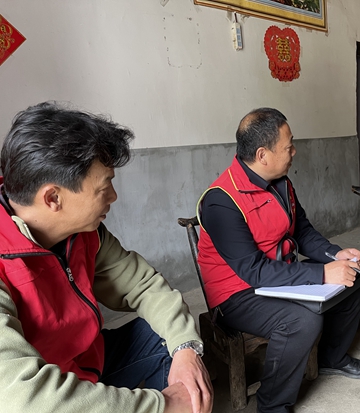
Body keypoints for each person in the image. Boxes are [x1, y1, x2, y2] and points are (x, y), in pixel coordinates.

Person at [0, 102, 213, 413]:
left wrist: (186, 348)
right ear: (53, 198)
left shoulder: (85, 234)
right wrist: (162, 405)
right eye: (104, 187)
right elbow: (22, 396)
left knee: (166, 340)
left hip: (86, 361)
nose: (113, 196)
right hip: (46, 393)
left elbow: (142, 285)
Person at [197, 108, 360, 413]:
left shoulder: (280, 182)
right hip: (237, 294)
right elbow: (254, 271)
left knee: (355, 278)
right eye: (289, 146)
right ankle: (272, 405)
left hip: (279, 273)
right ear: (263, 155)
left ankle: (332, 358)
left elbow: (302, 231)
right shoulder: (221, 201)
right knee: (302, 322)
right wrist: (322, 274)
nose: (294, 151)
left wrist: (335, 255)